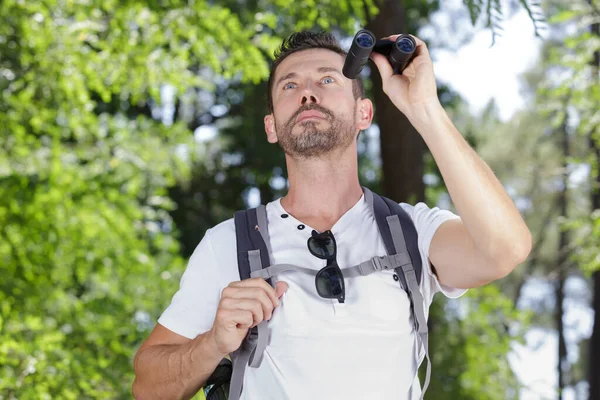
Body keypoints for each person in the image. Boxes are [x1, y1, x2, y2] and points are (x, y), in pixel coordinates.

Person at [132, 31, 532, 400]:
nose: (307, 94)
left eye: (327, 80)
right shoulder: (228, 244)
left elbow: (504, 250)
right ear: (271, 126)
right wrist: (212, 343)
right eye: (290, 85)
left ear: (364, 113)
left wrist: (424, 108)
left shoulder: (411, 231)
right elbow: (147, 389)